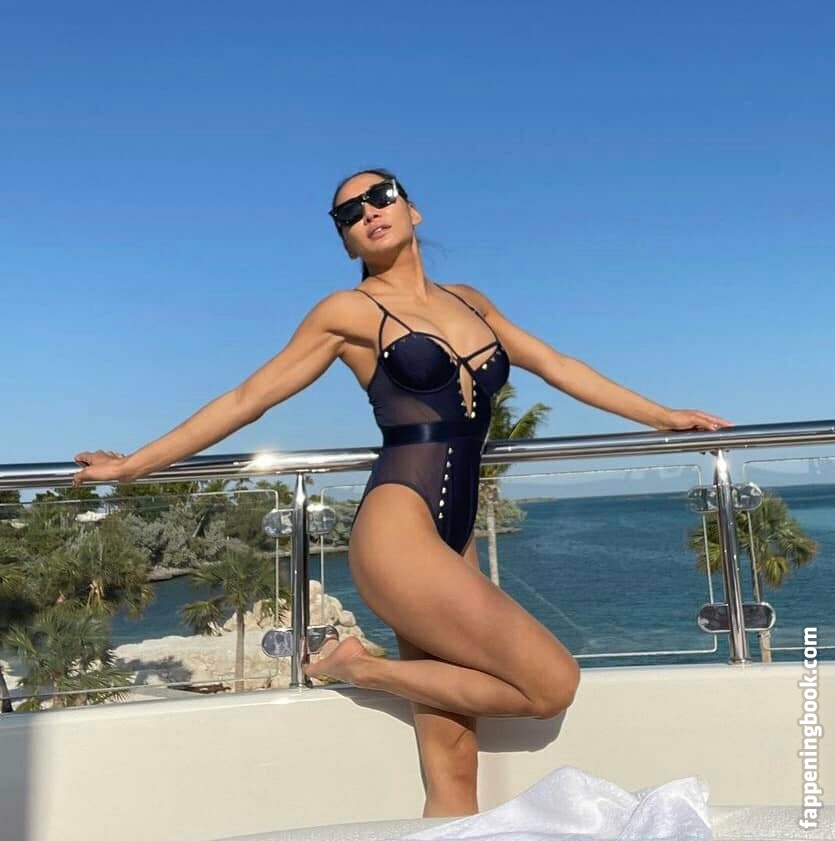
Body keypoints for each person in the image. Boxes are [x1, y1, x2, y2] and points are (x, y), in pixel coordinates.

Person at [72, 167, 734, 818]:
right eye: (348, 213)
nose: (368, 211)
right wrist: (134, 466)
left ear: (411, 209)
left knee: (455, 763)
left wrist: (662, 416)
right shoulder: (347, 312)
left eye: (380, 196)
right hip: (398, 528)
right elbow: (249, 397)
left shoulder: (470, 301)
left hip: (456, 530)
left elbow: (557, 364)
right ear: (345, 241)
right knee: (551, 683)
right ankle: (359, 667)